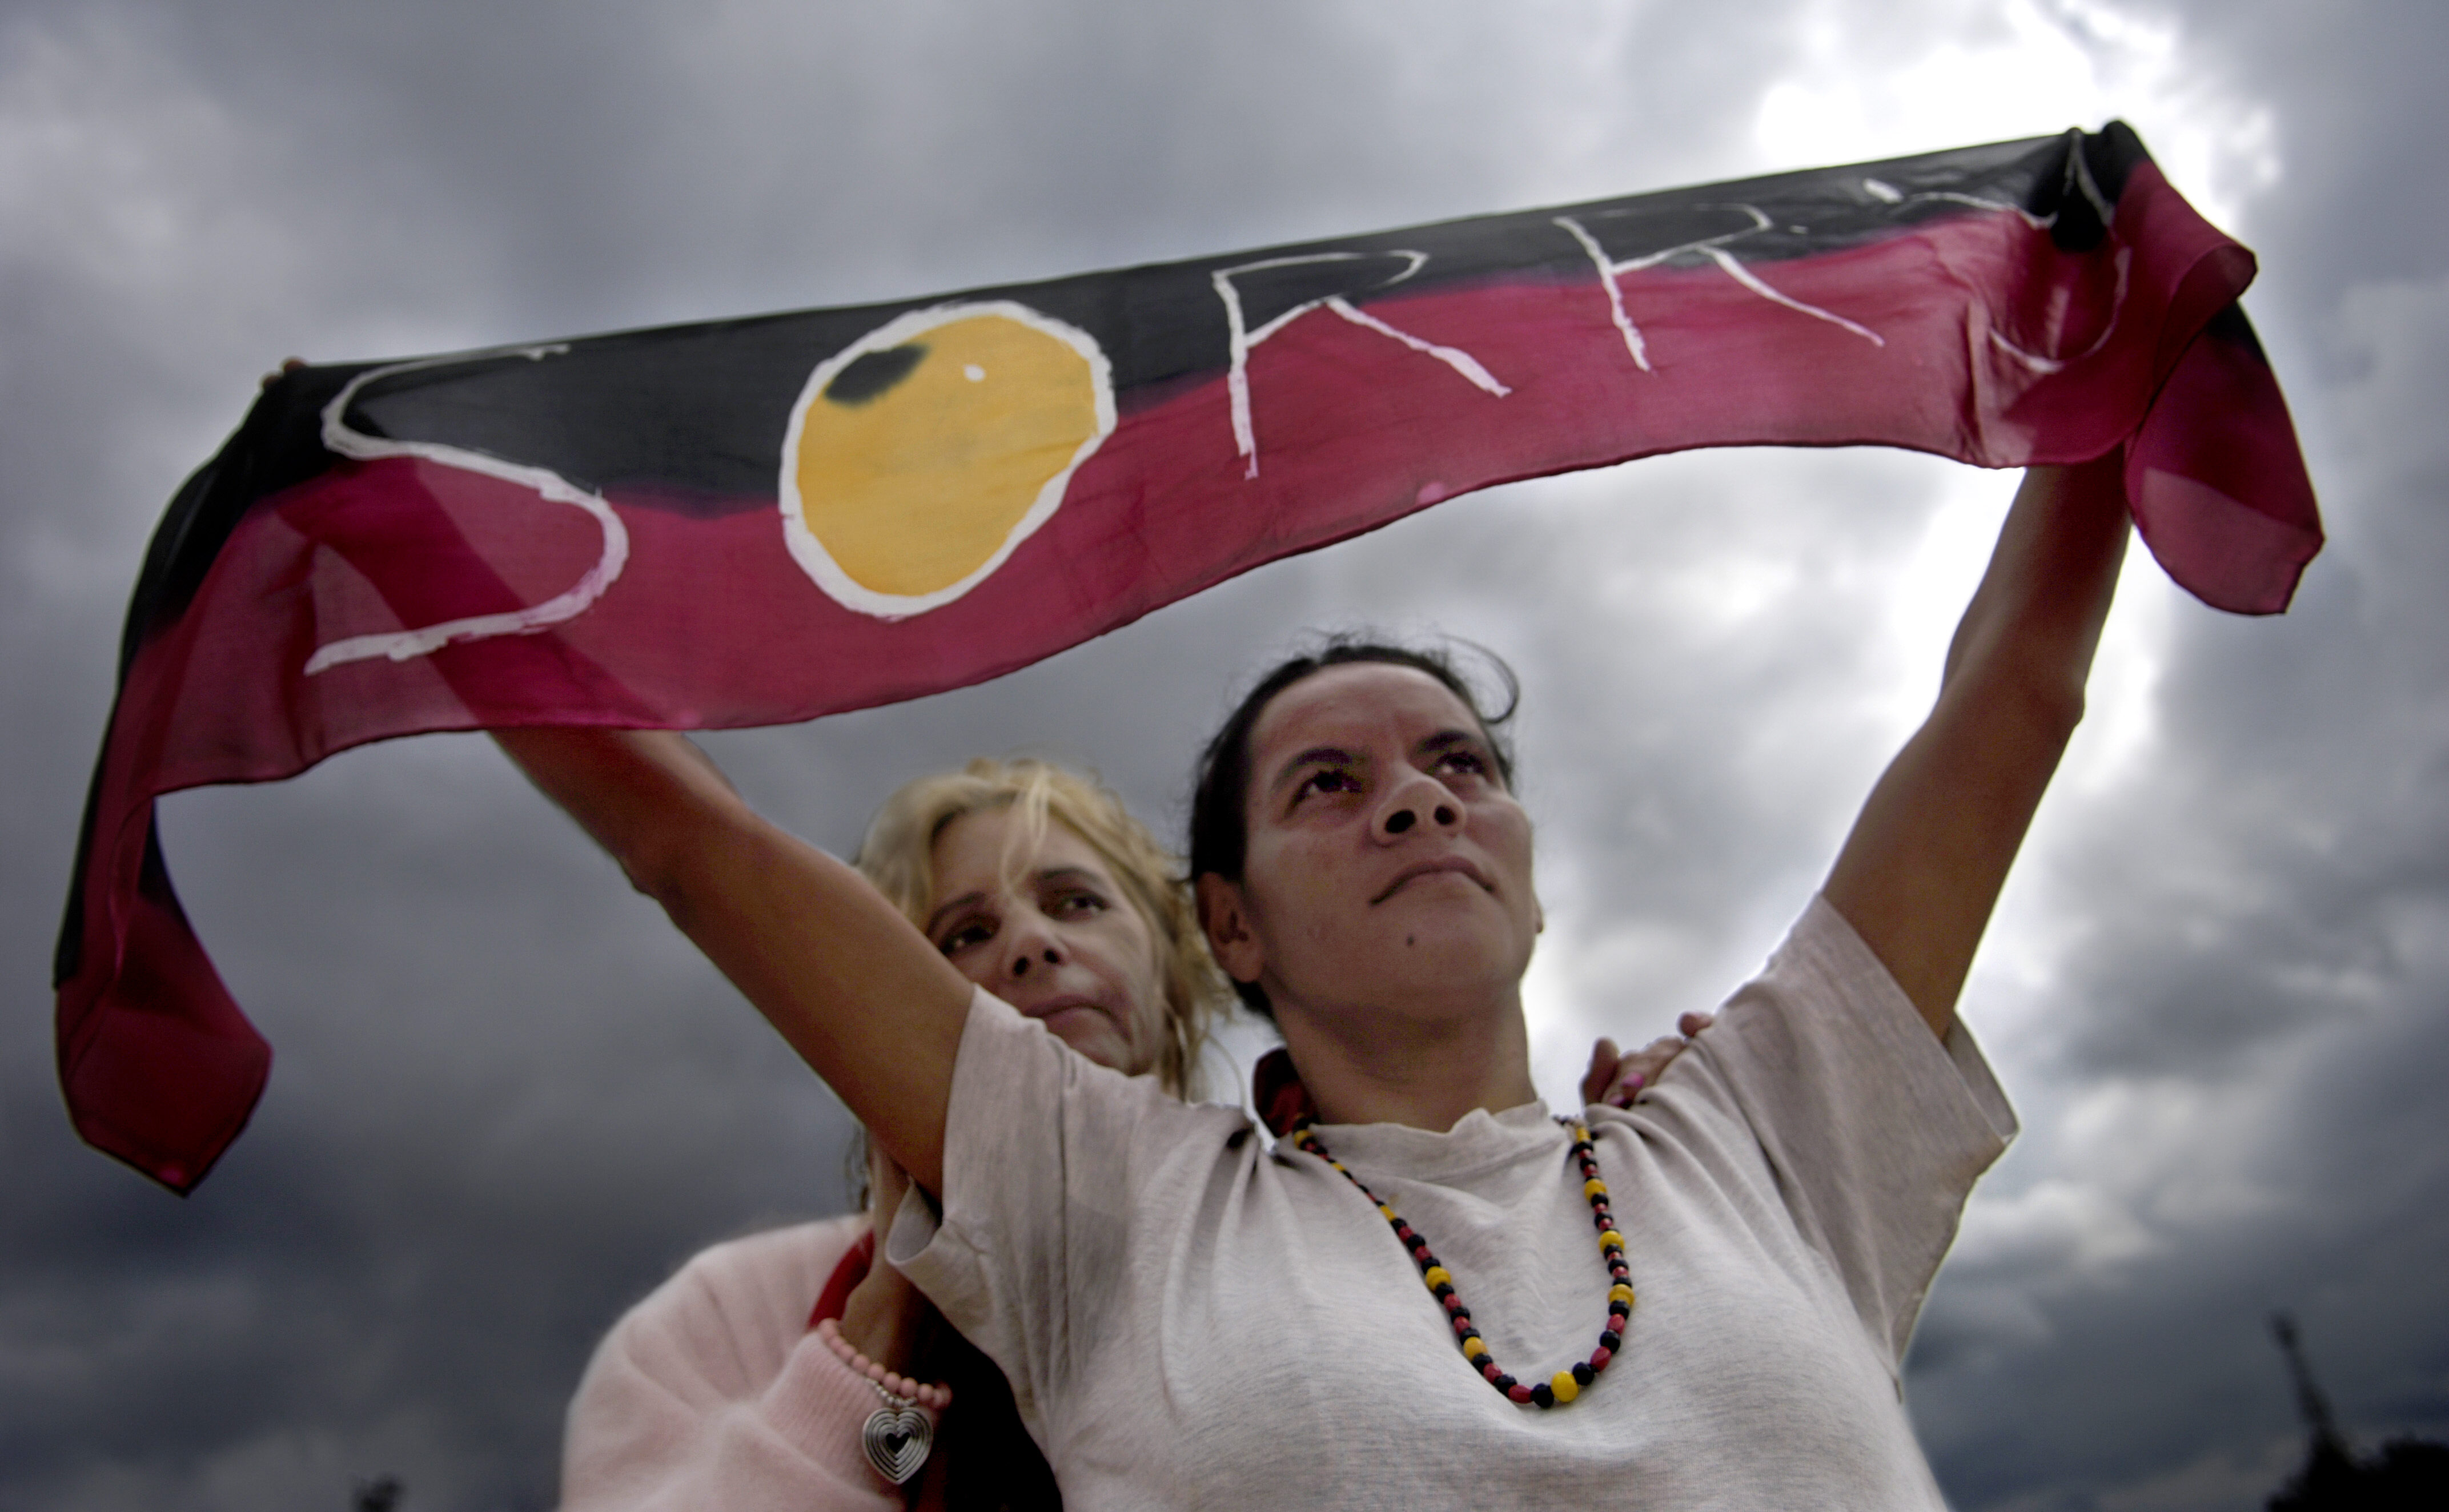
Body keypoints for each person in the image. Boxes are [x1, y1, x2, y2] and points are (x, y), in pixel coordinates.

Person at [500, 447, 2129, 1506]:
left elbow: (2017, 699)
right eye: (1327, 787)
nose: (1418, 798)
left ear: (1534, 869)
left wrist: (2116, 384)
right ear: (1234, 928)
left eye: (1459, 765)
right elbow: (688, 844)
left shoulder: (1765, 1134)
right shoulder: (1112, 1210)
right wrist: (433, 568)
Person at [553, 757, 1703, 1510]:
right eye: (960, 933)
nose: (1027, 947)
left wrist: (1613, 1191)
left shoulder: (1347, 1239)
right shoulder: (729, 1317)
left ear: (1175, 964)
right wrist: (876, 1353)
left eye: (1074, 902)